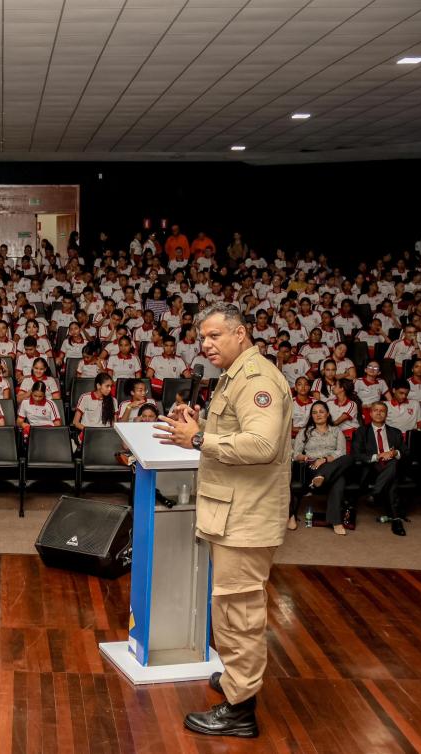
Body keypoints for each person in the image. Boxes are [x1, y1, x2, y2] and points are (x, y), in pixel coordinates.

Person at [154, 302, 292, 739]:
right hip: (234, 510)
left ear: (242, 333)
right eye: (202, 338)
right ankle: (237, 681)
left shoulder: (256, 380)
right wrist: (200, 430)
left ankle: (240, 709)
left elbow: (260, 445)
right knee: (231, 608)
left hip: (246, 516)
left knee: (239, 614)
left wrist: (196, 437)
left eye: (215, 336)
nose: (206, 344)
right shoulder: (235, 376)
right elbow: (233, 436)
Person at [291, 400, 351, 534]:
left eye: (321, 411)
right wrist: (306, 458)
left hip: (331, 465)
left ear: (328, 414)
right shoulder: (305, 432)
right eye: (314, 412)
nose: (318, 415)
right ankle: (336, 522)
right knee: (339, 480)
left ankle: (322, 476)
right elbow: (296, 454)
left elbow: (341, 452)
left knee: (348, 458)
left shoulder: (336, 431)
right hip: (311, 466)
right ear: (311, 416)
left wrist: (324, 459)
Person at [351, 401, 406, 536]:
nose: (379, 413)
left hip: (391, 468)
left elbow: (406, 452)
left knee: (392, 464)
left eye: (382, 411)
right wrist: (378, 456)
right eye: (375, 410)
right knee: (391, 475)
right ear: (370, 413)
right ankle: (396, 519)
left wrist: (395, 453)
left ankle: (375, 494)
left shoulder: (395, 432)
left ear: (386, 414)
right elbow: (356, 455)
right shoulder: (361, 431)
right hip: (372, 470)